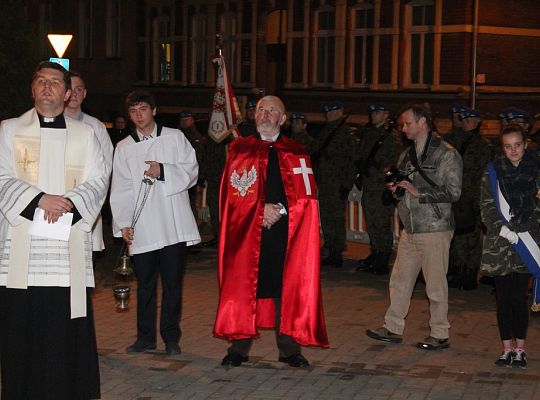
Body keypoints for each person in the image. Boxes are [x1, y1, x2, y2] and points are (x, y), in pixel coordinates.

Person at [0, 61, 109, 399]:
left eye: (55, 82)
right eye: (41, 81)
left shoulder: (86, 134)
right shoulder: (7, 130)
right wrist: (39, 200)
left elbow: (98, 180)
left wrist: (68, 204)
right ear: (32, 89)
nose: (48, 87)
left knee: (64, 325)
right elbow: (1, 176)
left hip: (67, 249)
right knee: (22, 323)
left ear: (67, 93)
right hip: (22, 245)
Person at [214, 95, 329, 368]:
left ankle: (289, 350)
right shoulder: (239, 150)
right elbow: (231, 196)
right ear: (255, 116)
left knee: (284, 287)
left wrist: (280, 210)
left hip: (285, 231)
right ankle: (238, 348)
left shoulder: (297, 152)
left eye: (273, 111)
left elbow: (307, 196)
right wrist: (258, 209)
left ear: (283, 119)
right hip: (247, 231)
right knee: (245, 285)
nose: (266, 114)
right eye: (262, 110)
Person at [110, 90, 200, 356]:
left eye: (143, 109)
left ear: (154, 110)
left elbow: (192, 170)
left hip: (172, 224)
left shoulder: (175, 137)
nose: (139, 115)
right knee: (146, 284)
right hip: (143, 226)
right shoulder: (124, 147)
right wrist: (124, 223)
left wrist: (163, 170)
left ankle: (171, 337)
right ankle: (145, 337)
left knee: (172, 284)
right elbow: (121, 188)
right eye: (133, 111)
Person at [366, 104, 462, 350]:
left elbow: (454, 192)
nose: (404, 128)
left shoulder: (445, 153)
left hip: (434, 227)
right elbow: (404, 187)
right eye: (403, 124)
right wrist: (397, 189)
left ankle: (440, 333)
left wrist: (419, 192)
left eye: (408, 123)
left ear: (423, 123)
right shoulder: (407, 154)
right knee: (400, 279)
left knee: (435, 283)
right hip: (411, 226)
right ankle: (392, 327)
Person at [479, 124, 540, 368]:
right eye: (507, 146)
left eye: (517, 145)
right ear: (502, 147)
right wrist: (500, 228)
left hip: (526, 242)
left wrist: (525, 226)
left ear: (525, 144)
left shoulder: (536, 170)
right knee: (503, 299)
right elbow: (486, 205)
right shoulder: (493, 171)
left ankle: (521, 349)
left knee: (518, 298)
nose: (513, 151)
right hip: (500, 245)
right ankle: (506, 349)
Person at [64, 70, 114, 255]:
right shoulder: (48, 123)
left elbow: (105, 167)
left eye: (79, 89)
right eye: (70, 88)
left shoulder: (96, 127)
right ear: (63, 92)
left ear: (84, 94)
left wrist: (81, 198)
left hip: (85, 203)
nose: (74, 93)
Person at [444, 108, 494, 290]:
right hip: (456, 196)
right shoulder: (454, 141)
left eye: (469, 120)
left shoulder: (483, 146)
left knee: (472, 237)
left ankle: (470, 273)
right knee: (457, 236)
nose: (465, 123)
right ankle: (458, 270)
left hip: (474, 197)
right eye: (463, 120)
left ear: (477, 121)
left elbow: (485, 174)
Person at [355, 103, 399, 275]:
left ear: (386, 114)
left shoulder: (391, 137)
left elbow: (394, 163)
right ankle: (376, 252)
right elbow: (360, 153)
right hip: (369, 184)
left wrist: (380, 170)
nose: (374, 115)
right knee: (371, 222)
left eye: (378, 112)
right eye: (372, 112)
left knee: (381, 223)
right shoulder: (369, 133)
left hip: (381, 186)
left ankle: (384, 256)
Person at [313, 101, 358, 268]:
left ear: (340, 112)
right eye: (327, 112)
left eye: (332, 112)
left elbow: (353, 160)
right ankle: (330, 247)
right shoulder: (326, 131)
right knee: (326, 216)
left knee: (337, 218)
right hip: (324, 182)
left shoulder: (346, 133)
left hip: (337, 182)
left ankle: (337, 251)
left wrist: (347, 184)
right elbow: (315, 150)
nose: (328, 115)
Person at [178, 110, 206, 222]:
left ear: (192, 120)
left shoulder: (195, 136)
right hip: (179, 174)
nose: (184, 122)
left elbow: (198, 158)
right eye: (182, 120)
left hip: (190, 175)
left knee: (189, 203)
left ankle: (192, 225)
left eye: (187, 120)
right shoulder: (178, 135)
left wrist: (198, 176)